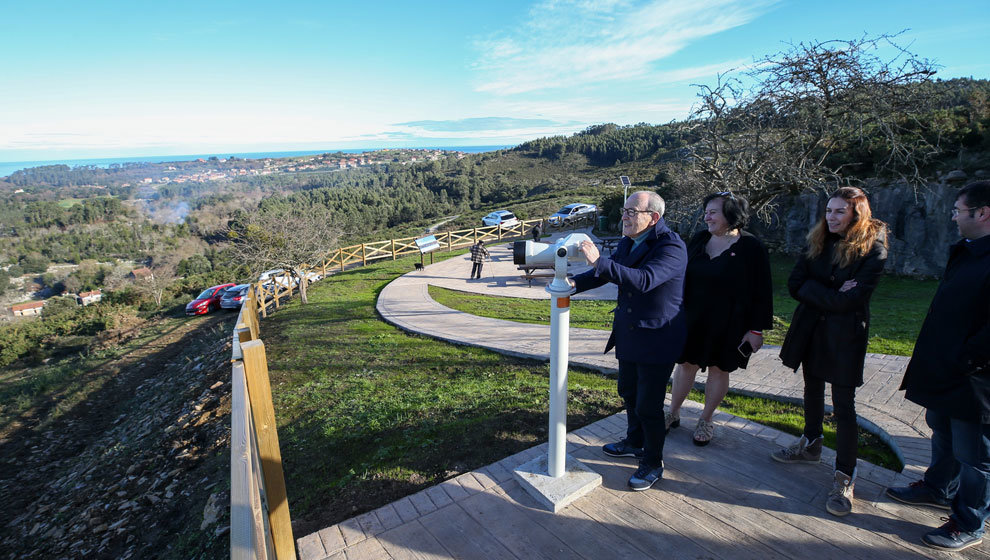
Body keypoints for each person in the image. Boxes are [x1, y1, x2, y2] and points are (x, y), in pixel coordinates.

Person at [770, 186, 888, 517]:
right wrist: (833, 290)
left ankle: (844, 476)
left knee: (844, 405)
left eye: (839, 212)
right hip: (811, 330)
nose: (830, 217)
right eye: (828, 210)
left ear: (856, 214)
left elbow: (850, 300)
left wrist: (818, 290)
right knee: (811, 389)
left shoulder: (873, 250)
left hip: (844, 336)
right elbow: (795, 284)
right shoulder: (818, 242)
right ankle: (810, 444)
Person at [885, 180, 990, 552]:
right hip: (947, 367)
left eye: (958, 211)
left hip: (975, 378)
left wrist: (969, 359)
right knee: (941, 429)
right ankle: (937, 489)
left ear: (982, 213)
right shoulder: (968, 251)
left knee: (975, 455)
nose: (953, 217)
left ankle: (969, 522)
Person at [570, 190, 687, 491]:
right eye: (625, 210)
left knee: (649, 405)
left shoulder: (671, 246)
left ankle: (652, 462)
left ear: (654, 217)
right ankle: (635, 442)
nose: (624, 215)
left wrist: (599, 261)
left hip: (656, 338)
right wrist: (569, 284)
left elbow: (645, 280)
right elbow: (602, 275)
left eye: (632, 211)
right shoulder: (628, 242)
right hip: (629, 333)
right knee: (628, 392)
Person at [666, 192, 773, 446]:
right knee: (685, 365)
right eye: (707, 211)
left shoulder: (751, 247)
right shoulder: (700, 239)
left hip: (730, 322)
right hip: (693, 318)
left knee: (719, 369)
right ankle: (672, 412)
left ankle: (706, 419)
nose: (707, 216)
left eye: (713, 211)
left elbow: (762, 291)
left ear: (731, 215)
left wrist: (756, 330)